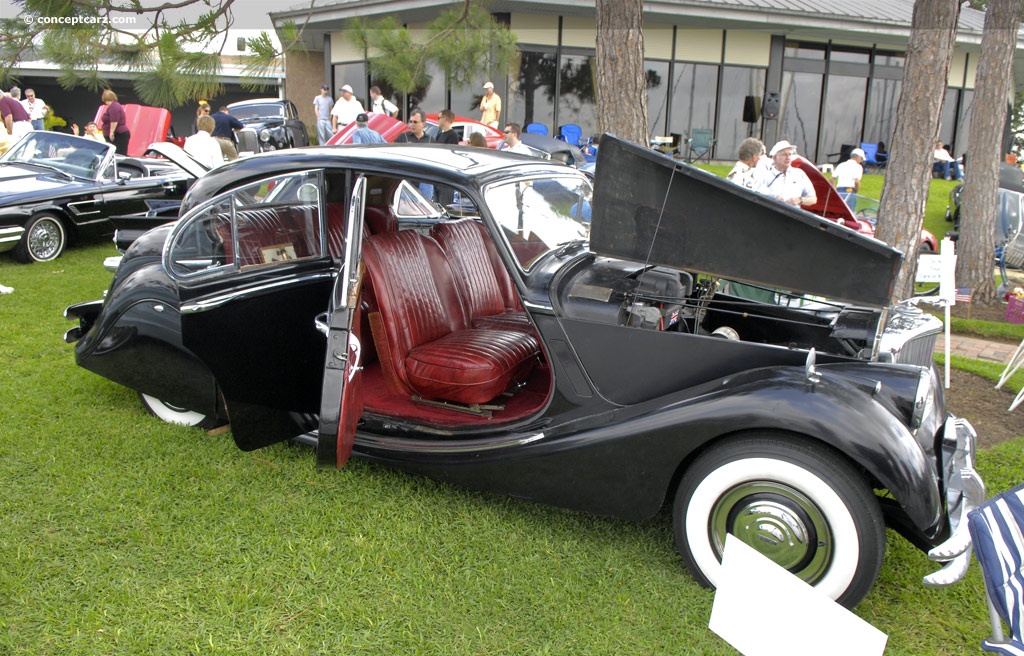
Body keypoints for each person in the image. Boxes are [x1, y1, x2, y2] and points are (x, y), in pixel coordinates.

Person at [756, 140, 816, 208]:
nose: (788, 157)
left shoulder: (799, 174)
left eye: (790, 154)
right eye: (784, 154)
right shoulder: (766, 175)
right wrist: (774, 197)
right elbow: (757, 193)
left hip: (793, 215)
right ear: (774, 158)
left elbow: (813, 199)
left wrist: (800, 200)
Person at [98, 89, 131, 155]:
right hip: (117, 134)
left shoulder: (114, 106)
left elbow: (114, 120)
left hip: (118, 134)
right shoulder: (114, 106)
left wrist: (111, 132)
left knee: (118, 153)